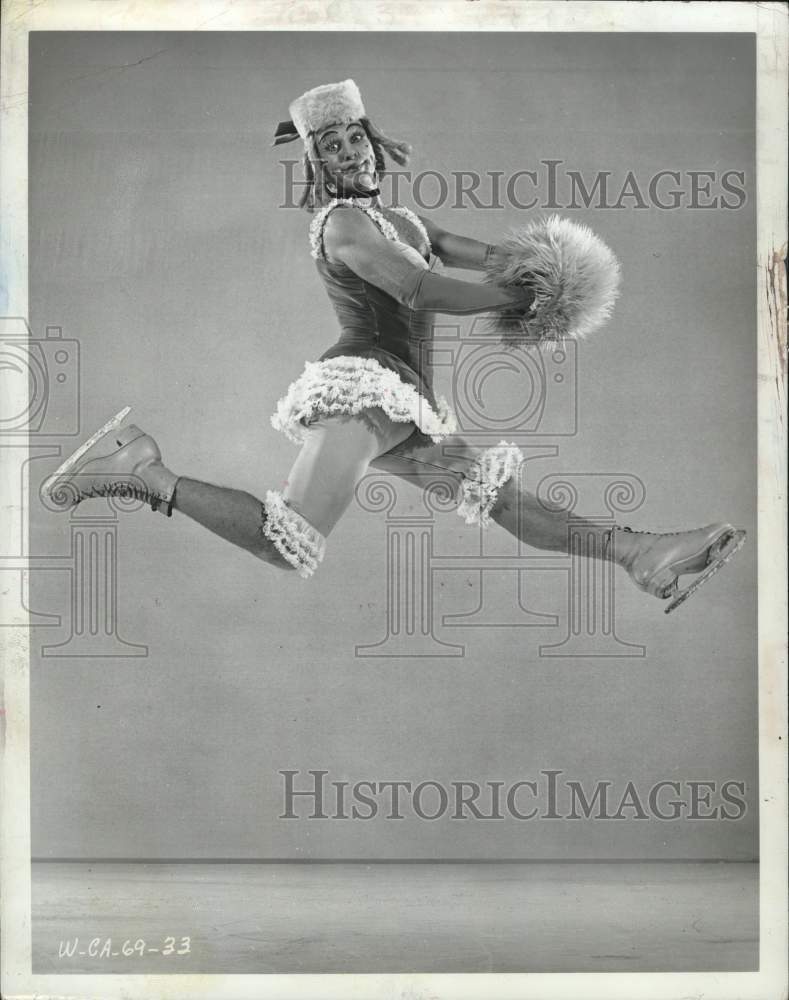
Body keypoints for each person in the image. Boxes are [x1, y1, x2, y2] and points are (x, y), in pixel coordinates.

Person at [43, 79, 745, 614]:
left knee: (497, 498)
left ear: (373, 138)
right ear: (316, 164)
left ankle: (641, 554)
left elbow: (485, 256)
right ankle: (144, 471)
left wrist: (550, 270)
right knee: (288, 542)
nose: (349, 152)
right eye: (331, 146)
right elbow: (416, 290)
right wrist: (520, 301)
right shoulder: (344, 224)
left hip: (403, 401)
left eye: (354, 136)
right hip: (364, 388)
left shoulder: (401, 217)